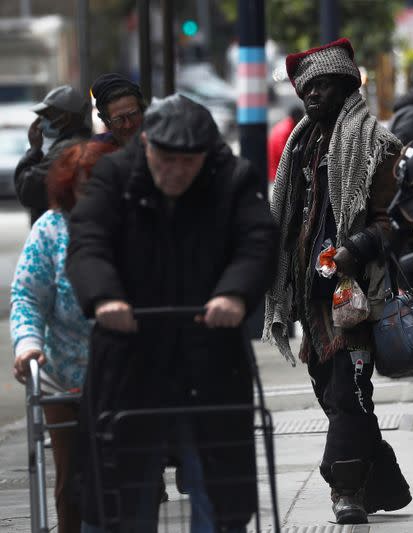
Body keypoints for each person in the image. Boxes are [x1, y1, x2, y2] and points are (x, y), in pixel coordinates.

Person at [66, 94, 278, 532]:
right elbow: (89, 242)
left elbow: (257, 242)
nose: (175, 171)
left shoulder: (233, 179)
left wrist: (234, 296)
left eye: (188, 161)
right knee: (121, 494)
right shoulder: (114, 176)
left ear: (206, 155)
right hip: (130, 360)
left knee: (218, 490)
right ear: (145, 145)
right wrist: (106, 298)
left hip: (211, 360)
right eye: (165, 159)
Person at [264, 38, 411, 525]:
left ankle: (345, 490)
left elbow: (392, 222)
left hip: (359, 294)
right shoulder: (301, 144)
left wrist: (354, 250)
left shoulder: (377, 144)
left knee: (349, 392)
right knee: (333, 393)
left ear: (345, 87)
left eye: (321, 86)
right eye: (306, 87)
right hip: (313, 295)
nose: (311, 95)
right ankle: (384, 481)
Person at [10, 141, 116, 533]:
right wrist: (28, 344)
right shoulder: (51, 231)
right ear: (70, 188)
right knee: (71, 482)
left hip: (122, 377)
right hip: (64, 378)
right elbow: (27, 297)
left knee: (124, 479)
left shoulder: (134, 224)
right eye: (87, 187)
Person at [15, 86, 92, 224]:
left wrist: (33, 150)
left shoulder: (67, 150)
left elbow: (27, 190)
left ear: (65, 118)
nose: (41, 122)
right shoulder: (78, 144)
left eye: (47, 115)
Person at [90, 73, 147, 147]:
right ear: (107, 123)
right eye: (118, 120)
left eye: (133, 115)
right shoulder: (97, 149)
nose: (128, 125)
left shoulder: (160, 142)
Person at [268, 105, 304, 182]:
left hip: (275, 170)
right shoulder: (286, 130)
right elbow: (283, 154)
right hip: (277, 173)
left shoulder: (285, 124)